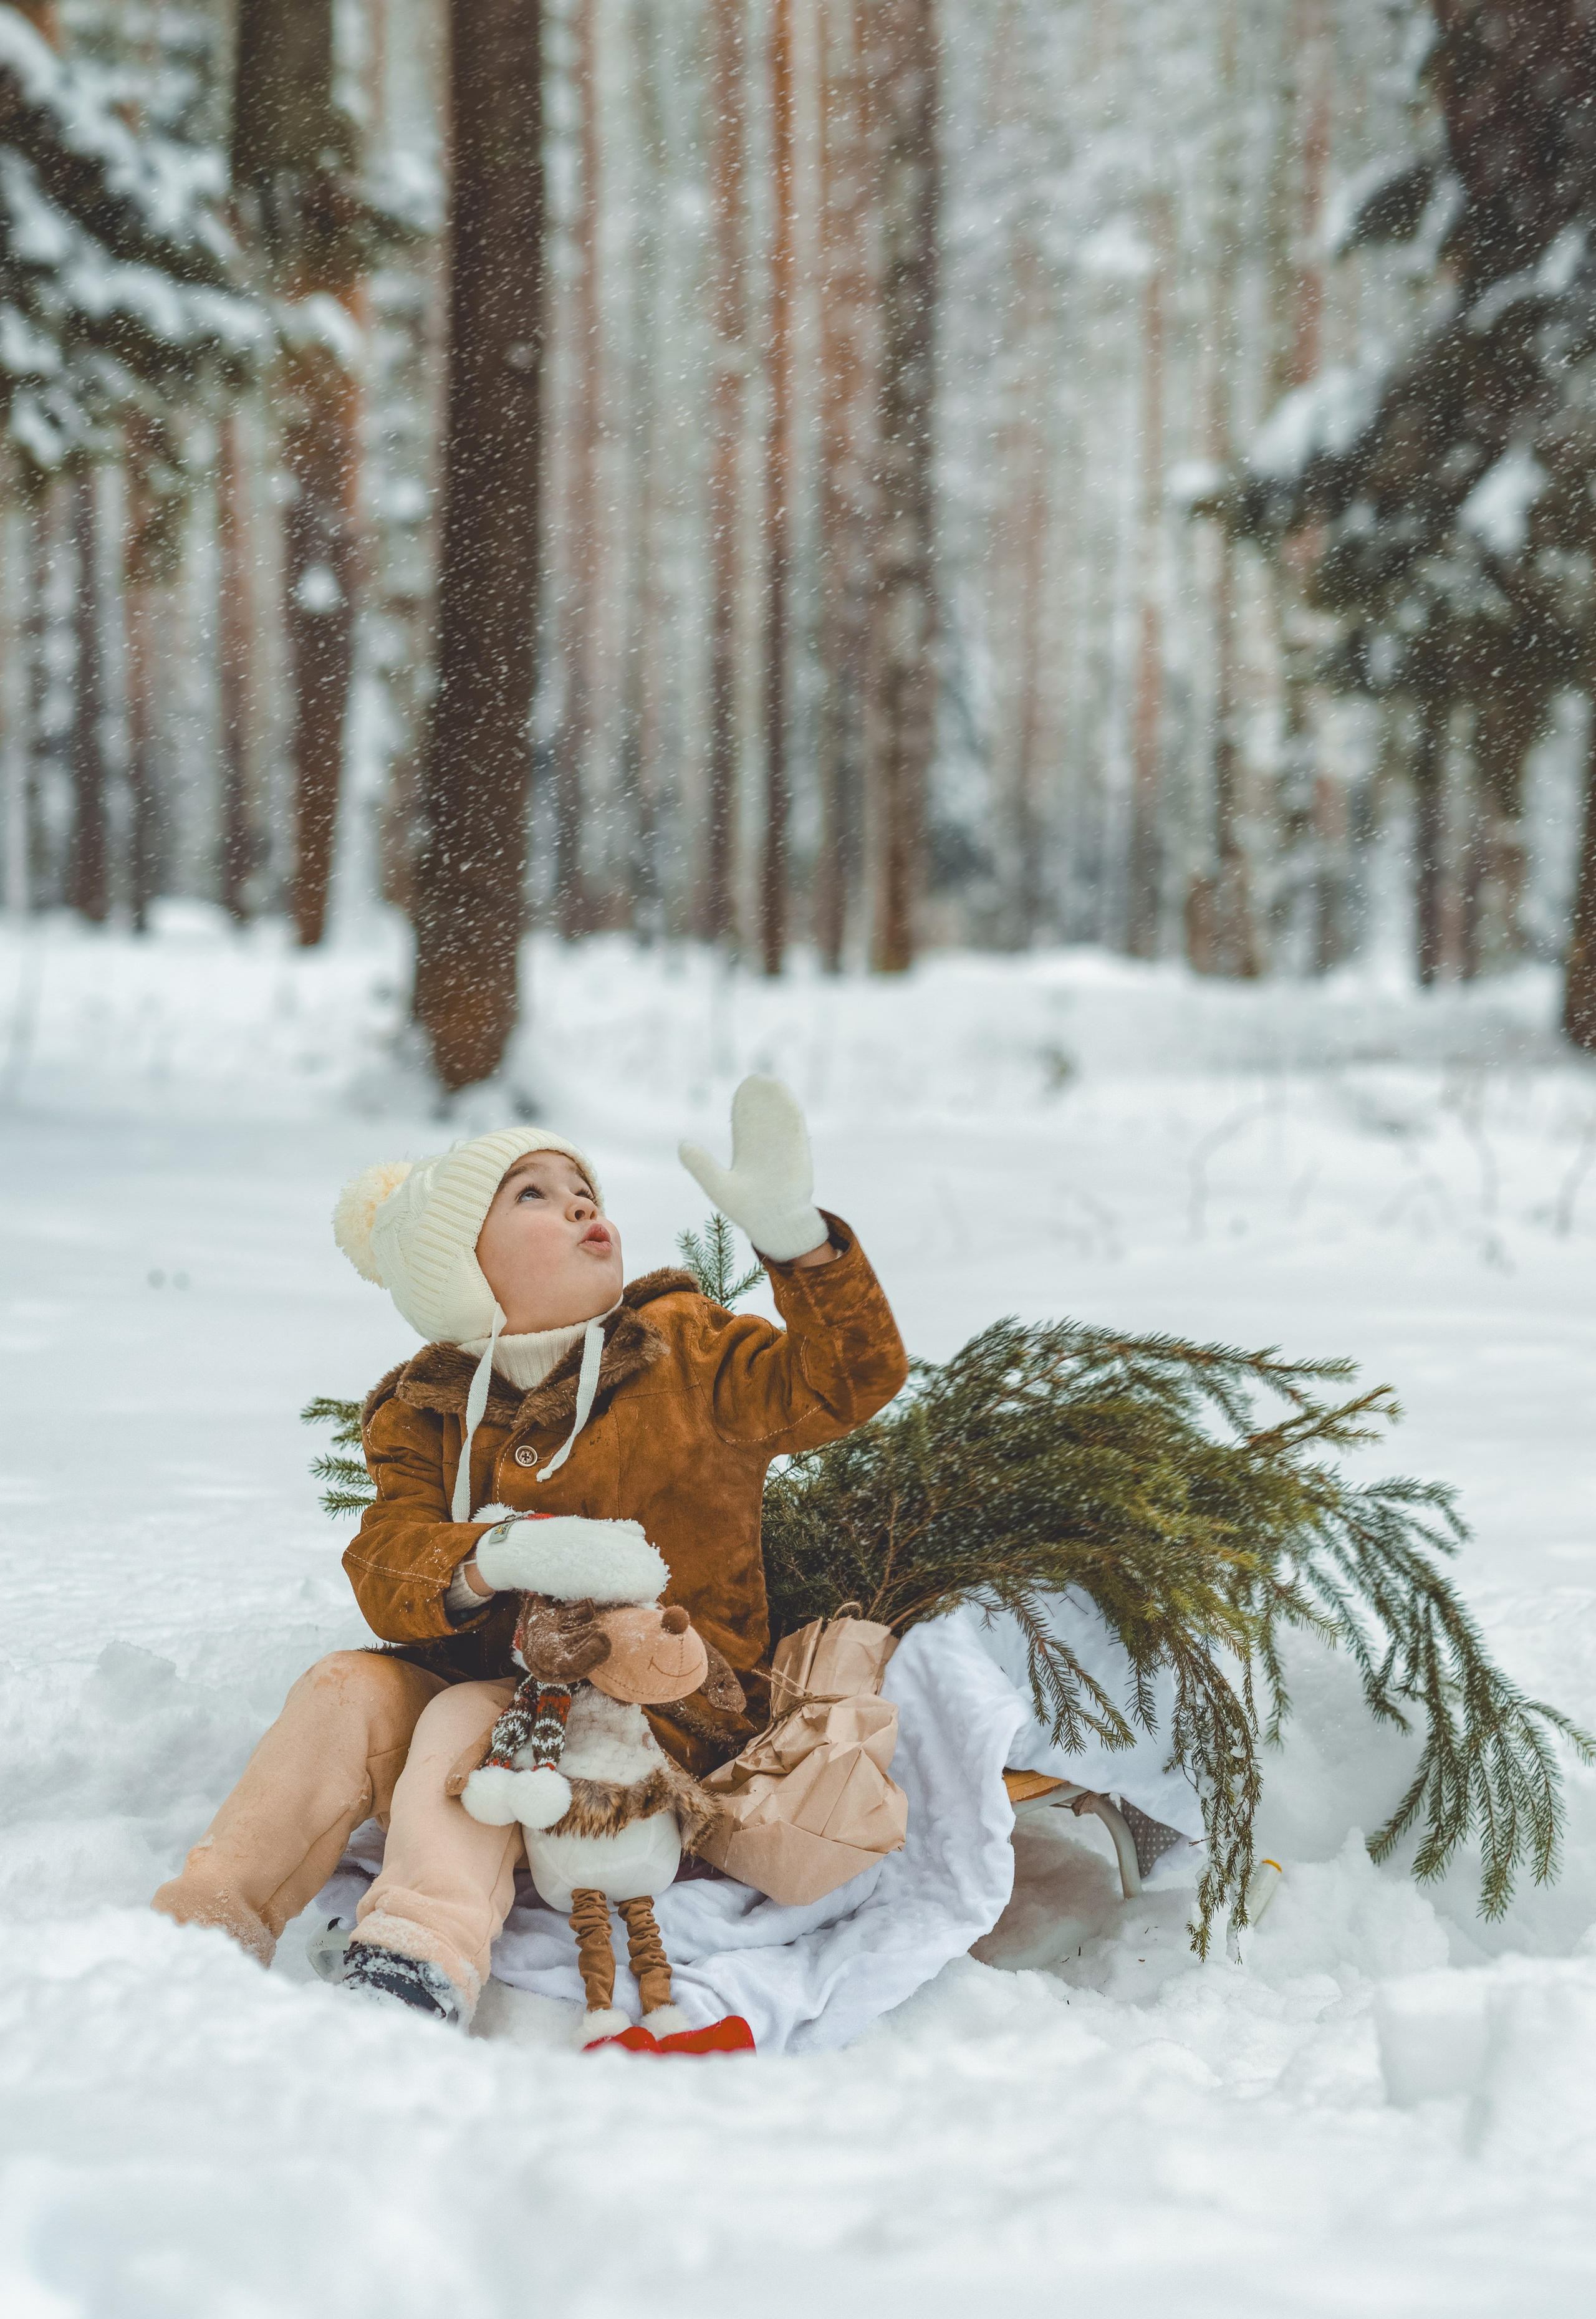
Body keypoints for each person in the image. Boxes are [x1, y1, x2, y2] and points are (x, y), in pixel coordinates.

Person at [151, 1077, 908, 2024]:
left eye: (584, 1189)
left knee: (475, 1713)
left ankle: (417, 1956)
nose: (581, 1204)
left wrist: (798, 1240)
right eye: (534, 1196)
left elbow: (848, 1377)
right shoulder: (422, 1412)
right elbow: (388, 1564)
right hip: (474, 1682)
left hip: (660, 1712)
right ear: (462, 1269)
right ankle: (198, 1933)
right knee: (345, 1686)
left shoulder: (683, 1351)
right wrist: (493, 1558)